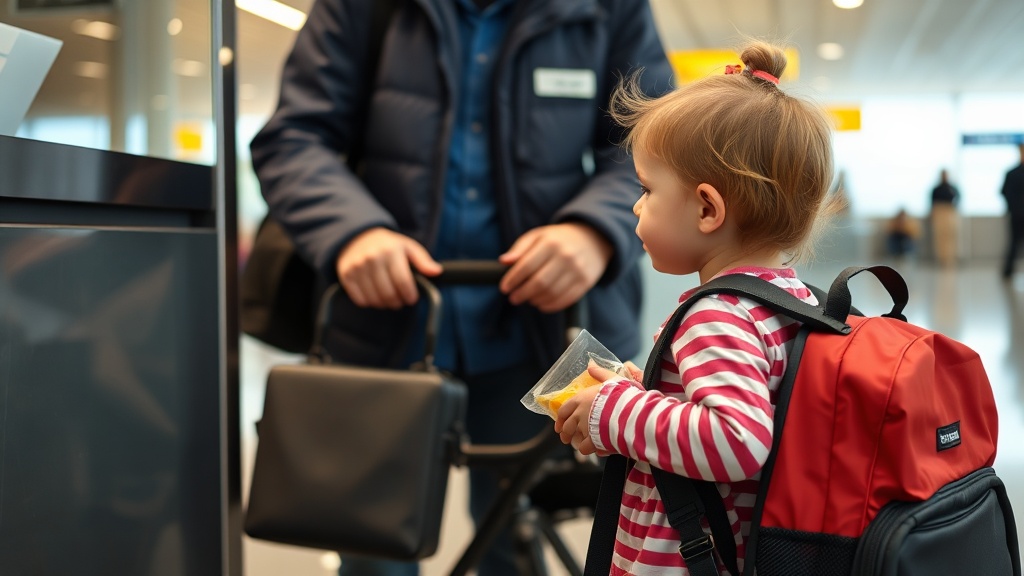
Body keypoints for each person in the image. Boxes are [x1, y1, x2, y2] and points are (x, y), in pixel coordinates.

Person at [248, 0, 674, 574]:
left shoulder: (607, 8)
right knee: (372, 548)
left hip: (540, 335)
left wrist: (593, 231)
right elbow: (295, 136)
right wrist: (352, 232)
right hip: (385, 324)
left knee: (516, 538)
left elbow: (650, 141)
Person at [552, 41, 842, 575]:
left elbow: (735, 441)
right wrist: (651, 391)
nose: (636, 205)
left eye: (646, 189)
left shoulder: (718, 314)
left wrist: (612, 410)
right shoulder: (792, 301)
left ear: (707, 208)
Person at [1002, 144, 1024, 280]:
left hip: (1015, 212)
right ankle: (1008, 271)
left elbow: (1003, 192)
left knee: (1014, 242)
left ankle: (1008, 271)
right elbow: (1004, 192)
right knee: (1014, 242)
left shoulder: (1011, 173)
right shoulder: (1011, 173)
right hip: (1016, 213)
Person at [930, 168, 960, 267]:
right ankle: (941, 258)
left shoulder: (952, 188)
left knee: (950, 236)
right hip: (939, 213)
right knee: (940, 236)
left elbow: (958, 198)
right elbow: (932, 202)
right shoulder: (936, 189)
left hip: (949, 213)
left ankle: (950, 258)